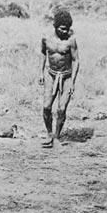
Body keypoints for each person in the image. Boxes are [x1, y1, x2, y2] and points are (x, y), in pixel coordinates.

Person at [39, 10, 80, 148]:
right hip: (51, 75)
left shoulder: (71, 41)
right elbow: (43, 54)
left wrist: (73, 81)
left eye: (67, 29)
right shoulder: (46, 38)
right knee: (46, 107)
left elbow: (76, 60)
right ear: (55, 26)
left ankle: (57, 136)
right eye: (62, 28)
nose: (64, 31)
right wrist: (40, 72)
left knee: (61, 109)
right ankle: (49, 134)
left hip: (66, 77)